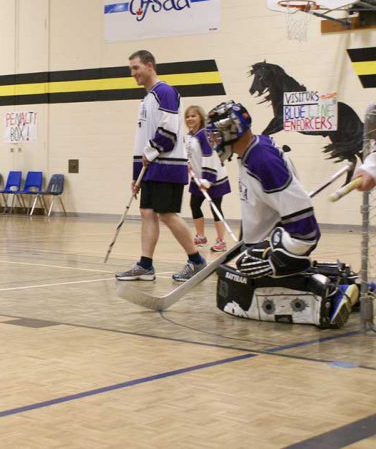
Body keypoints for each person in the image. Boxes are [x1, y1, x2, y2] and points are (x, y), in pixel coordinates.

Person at [206, 100, 358, 328]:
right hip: (276, 236)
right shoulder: (251, 151)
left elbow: (305, 225)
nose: (214, 141)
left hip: (290, 240)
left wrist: (280, 259)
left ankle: (334, 294)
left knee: (249, 265)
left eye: (217, 135)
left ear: (232, 130)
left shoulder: (262, 160)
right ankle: (348, 283)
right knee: (244, 262)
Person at [116, 50, 206, 283]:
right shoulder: (146, 99)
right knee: (147, 212)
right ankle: (145, 265)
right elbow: (142, 139)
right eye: (131, 70)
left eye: (136, 68)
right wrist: (137, 176)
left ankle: (196, 262)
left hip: (167, 165)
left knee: (166, 214)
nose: (133, 74)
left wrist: (153, 150)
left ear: (149, 66)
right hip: (152, 167)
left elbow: (169, 130)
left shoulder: (165, 92)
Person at [184, 104, 231, 252]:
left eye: (193, 115)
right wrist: (187, 164)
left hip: (214, 177)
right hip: (198, 177)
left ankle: (221, 241)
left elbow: (209, 157)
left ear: (200, 118)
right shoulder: (190, 136)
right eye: (188, 116)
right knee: (194, 205)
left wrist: (207, 180)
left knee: (215, 208)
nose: (190, 118)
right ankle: (201, 236)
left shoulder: (204, 134)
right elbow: (189, 154)